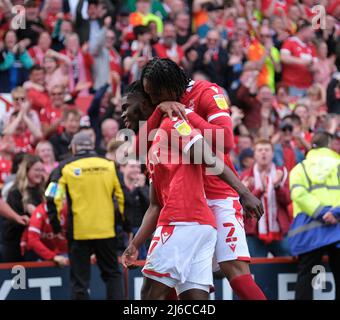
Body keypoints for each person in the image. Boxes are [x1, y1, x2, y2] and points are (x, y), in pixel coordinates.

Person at [124, 63, 266, 301]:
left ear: (169, 87)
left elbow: (226, 143)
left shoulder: (207, 92)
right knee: (178, 286)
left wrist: (186, 115)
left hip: (217, 191)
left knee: (234, 269)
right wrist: (161, 109)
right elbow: (137, 150)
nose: (153, 99)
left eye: (156, 95)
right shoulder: (162, 110)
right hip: (186, 198)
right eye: (149, 96)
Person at [46, 131, 128, 300]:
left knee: (80, 281)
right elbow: (123, 197)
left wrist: (55, 225)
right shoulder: (109, 165)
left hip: (78, 232)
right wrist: (123, 224)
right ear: (91, 147)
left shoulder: (64, 167)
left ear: (74, 148)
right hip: (106, 230)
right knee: (112, 274)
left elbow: (52, 196)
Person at [288, 132, 340, 300]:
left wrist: (321, 213)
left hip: (309, 230)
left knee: (306, 278)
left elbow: (298, 195)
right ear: (330, 144)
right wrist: (335, 213)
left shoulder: (299, 169)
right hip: (337, 228)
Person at [241, 139, 292, 257]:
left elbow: (288, 200)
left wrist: (277, 186)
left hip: (279, 230)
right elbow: (243, 204)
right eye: (260, 150)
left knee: (288, 267)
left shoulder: (282, 173)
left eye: (267, 150)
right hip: (254, 231)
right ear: (254, 154)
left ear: (272, 153)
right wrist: (260, 190)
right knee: (257, 269)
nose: (263, 153)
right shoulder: (246, 176)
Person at [3, 155, 45, 262]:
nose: (40, 173)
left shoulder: (43, 191)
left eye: (41, 170)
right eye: (36, 170)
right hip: (15, 243)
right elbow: (18, 220)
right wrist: (36, 215)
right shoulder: (15, 192)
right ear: (26, 171)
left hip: (36, 242)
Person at [21, 200, 68, 266]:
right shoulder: (39, 212)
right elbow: (33, 239)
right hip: (37, 251)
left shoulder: (69, 209)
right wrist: (53, 256)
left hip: (62, 250)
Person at [120, 159, 149, 259]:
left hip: (141, 234)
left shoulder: (145, 188)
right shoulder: (118, 187)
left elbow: (150, 207)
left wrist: (141, 188)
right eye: (132, 166)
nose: (136, 170)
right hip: (122, 234)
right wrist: (137, 188)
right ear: (122, 168)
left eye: (138, 167)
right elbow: (128, 203)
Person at [280, 21, 317, 97]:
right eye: (311, 32)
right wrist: (301, 61)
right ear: (303, 30)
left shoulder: (311, 46)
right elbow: (283, 57)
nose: (313, 35)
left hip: (308, 86)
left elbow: (315, 65)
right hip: (292, 85)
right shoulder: (290, 42)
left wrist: (311, 67)